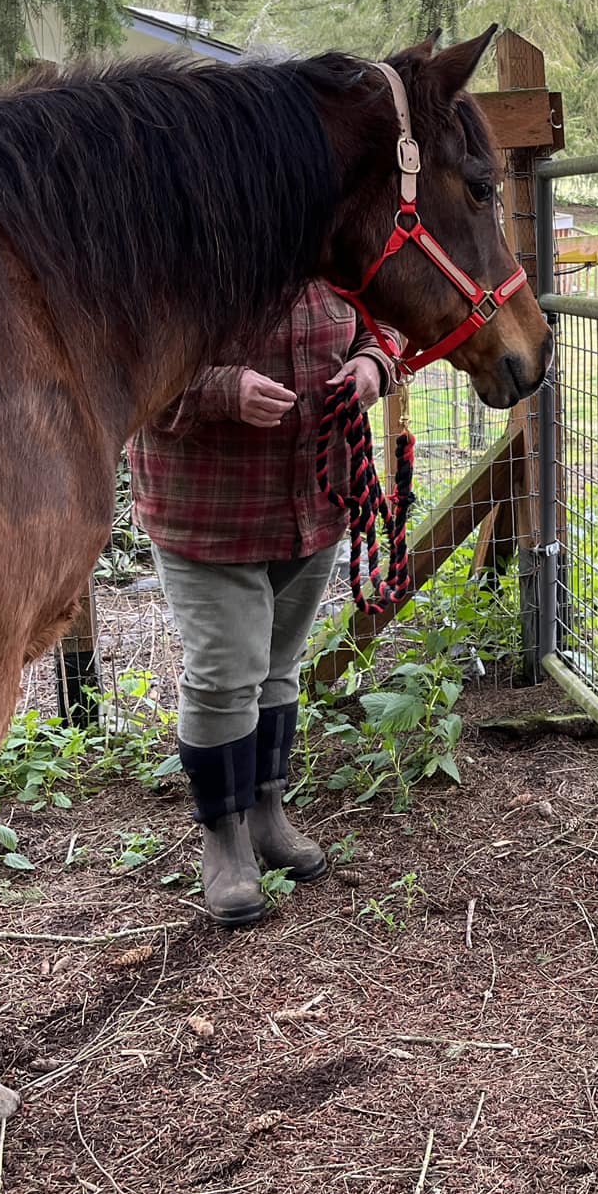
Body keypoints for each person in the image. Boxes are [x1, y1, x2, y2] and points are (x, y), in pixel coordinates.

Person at [130, 283, 403, 925]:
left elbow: (384, 316)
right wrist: (224, 391)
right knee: (226, 679)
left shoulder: (329, 234)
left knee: (279, 665)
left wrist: (373, 363)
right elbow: (132, 362)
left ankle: (267, 815)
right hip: (209, 508)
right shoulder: (177, 241)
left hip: (315, 500)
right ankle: (223, 842)